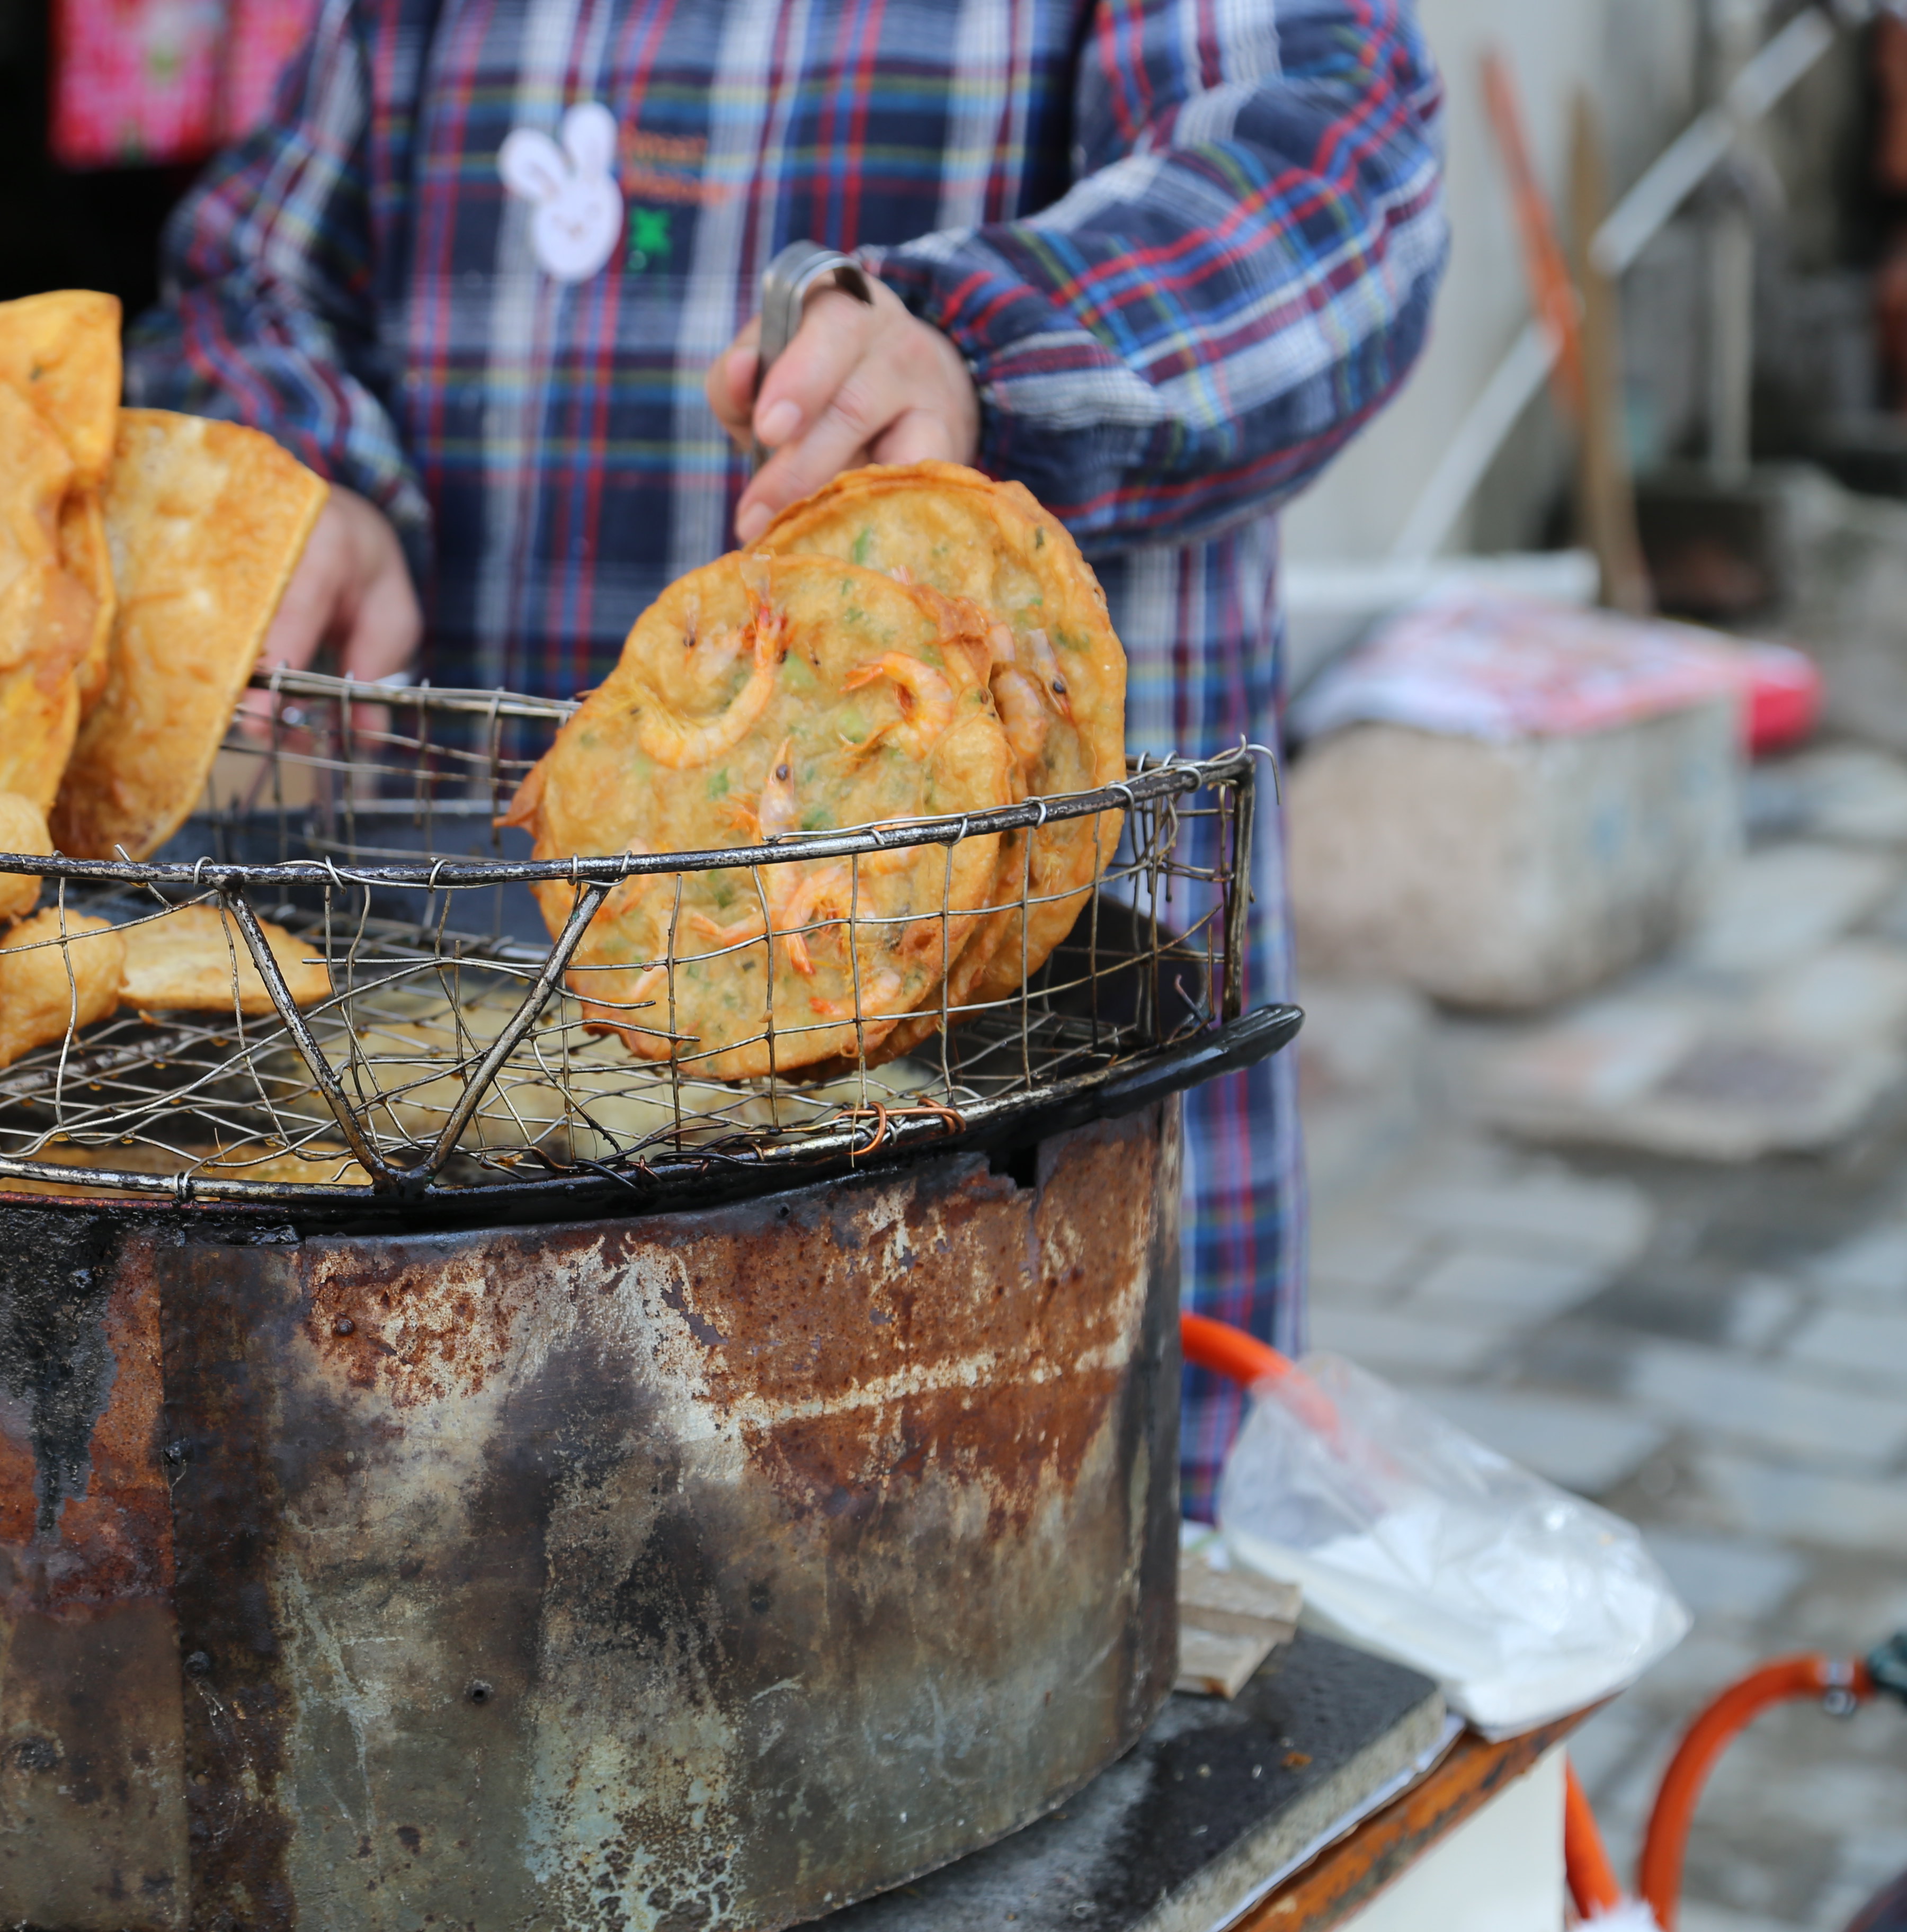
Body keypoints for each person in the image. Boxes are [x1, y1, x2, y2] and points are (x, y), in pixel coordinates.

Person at [124, 0, 1447, 1513]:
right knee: (470, 1579)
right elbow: (257, 269)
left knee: (1005, 1601)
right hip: (467, 1103)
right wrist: (301, 471)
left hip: (999, 1178)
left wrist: (974, 348)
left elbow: (1343, 192)